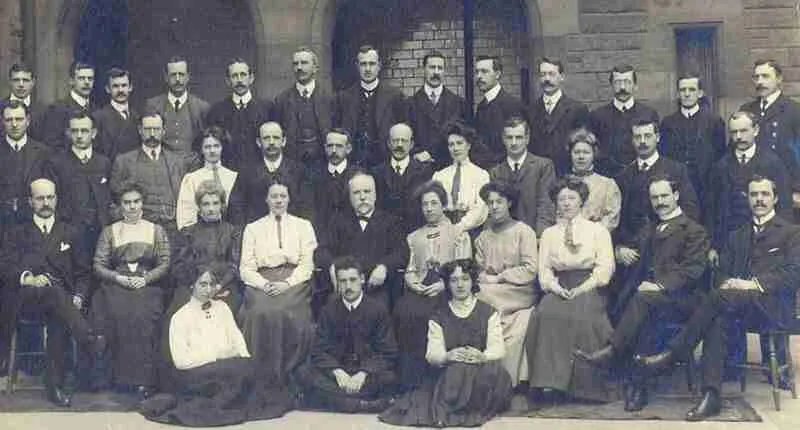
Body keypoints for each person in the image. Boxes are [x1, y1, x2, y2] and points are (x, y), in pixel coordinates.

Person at [635, 175, 800, 421]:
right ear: (748, 199)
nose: (759, 200)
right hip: (735, 306)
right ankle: (711, 396)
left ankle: (673, 354)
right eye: (754, 194)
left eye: (765, 194)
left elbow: (792, 274)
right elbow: (723, 273)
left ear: (775, 198)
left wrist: (750, 284)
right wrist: (728, 284)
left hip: (772, 308)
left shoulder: (792, 233)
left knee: (716, 303)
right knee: (716, 318)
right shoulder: (737, 235)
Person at [576, 176, 709, 412]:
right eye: (655, 197)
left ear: (676, 196)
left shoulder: (693, 230)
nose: (660, 202)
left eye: (664, 196)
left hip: (683, 299)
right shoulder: (650, 228)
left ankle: (613, 352)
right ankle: (636, 386)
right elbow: (632, 248)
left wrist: (659, 286)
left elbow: (693, 271)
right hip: (648, 299)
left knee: (643, 301)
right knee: (638, 310)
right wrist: (619, 249)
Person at [142, 262, 291, 426]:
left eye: (211, 285)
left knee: (255, 370)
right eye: (203, 284)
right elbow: (181, 361)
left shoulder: (222, 307)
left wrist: (247, 361)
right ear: (192, 286)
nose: (208, 290)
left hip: (226, 364)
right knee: (233, 375)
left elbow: (236, 338)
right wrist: (217, 355)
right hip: (196, 372)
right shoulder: (181, 317)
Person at [0, 178, 104, 407]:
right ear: (30, 202)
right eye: (39, 198)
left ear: (56, 199)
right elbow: (5, 265)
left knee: (59, 311)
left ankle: (54, 385)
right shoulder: (18, 232)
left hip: (64, 304)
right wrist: (28, 278)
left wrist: (78, 296)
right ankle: (88, 339)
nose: (45, 203)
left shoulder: (71, 231)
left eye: (49, 197)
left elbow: (84, 272)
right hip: (26, 299)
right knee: (57, 296)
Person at [380, 259, 512, 427]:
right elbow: (432, 353)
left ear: (473, 282)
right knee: (456, 372)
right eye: (454, 280)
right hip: (452, 374)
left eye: (465, 279)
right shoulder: (439, 315)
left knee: (493, 377)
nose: (460, 285)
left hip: (481, 370)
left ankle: (463, 407)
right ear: (447, 284)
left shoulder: (488, 312)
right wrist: (447, 356)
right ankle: (455, 409)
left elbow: (498, 348)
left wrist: (482, 356)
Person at [525, 177, 615, 404]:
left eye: (571, 198)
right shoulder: (549, 234)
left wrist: (582, 288)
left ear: (581, 200)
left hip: (590, 285)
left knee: (581, 317)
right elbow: (544, 270)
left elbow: (605, 268)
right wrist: (555, 287)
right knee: (545, 314)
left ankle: (584, 387)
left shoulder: (598, 231)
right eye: (561, 199)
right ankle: (550, 384)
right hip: (559, 286)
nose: (566, 203)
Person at [91, 182, 171, 399]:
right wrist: (118, 278)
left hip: (147, 284)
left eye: (136, 202)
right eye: (127, 203)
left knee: (144, 314)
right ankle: (118, 378)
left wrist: (146, 279)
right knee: (117, 313)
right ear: (120, 206)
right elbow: (98, 265)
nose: (132, 207)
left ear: (142, 203)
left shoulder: (156, 230)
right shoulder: (110, 231)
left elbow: (164, 263)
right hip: (117, 283)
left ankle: (144, 380)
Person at [391, 180, 471, 390]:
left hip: (449, 289)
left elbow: (465, 269)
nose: (429, 208)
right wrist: (413, 283)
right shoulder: (414, 237)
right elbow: (409, 269)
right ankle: (411, 381)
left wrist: (444, 285)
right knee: (403, 311)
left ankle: (436, 380)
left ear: (443, 205)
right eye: (425, 204)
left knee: (430, 315)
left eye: (434, 203)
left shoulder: (458, 234)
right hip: (421, 288)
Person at [238, 180, 317, 391]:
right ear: (266, 199)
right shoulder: (253, 228)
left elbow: (307, 264)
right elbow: (245, 268)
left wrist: (287, 283)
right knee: (259, 312)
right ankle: (262, 378)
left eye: (283, 196)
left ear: (289, 198)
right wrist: (264, 284)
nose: (279, 200)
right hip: (261, 281)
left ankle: (289, 378)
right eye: (274, 196)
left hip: (294, 281)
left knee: (287, 311)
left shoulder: (304, 226)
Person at [296, 255, 399, 413]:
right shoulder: (328, 310)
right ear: (337, 283)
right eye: (343, 281)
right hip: (339, 375)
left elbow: (388, 352)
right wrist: (337, 372)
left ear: (362, 279)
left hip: (366, 375)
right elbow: (319, 350)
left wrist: (363, 373)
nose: (348, 286)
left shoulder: (378, 310)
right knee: (304, 374)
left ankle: (339, 402)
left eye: (352, 280)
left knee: (389, 378)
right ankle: (362, 405)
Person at [474, 181, 538, 386]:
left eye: (499, 202)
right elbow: (480, 270)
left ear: (509, 203)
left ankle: (509, 381)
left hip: (519, 289)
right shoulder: (483, 237)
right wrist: (488, 278)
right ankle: (486, 380)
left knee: (486, 296)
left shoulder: (523, 231)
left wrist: (501, 277)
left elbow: (530, 268)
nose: (494, 207)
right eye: (490, 202)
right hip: (491, 288)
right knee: (478, 296)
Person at [314, 171, 407, 308]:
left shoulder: (390, 222)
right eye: (356, 193)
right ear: (350, 197)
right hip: (345, 287)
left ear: (375, 195)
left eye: (367, 191)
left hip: (376, 288)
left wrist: (385, 266)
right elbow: (321, 251)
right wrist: (332, 266)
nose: (362, 197)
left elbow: (402, 252)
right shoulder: (338, 221)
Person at [615, 118, 699, 248]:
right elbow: (618, 218)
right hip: (631, 251)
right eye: (637, 137)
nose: (642, 141)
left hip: (668, 245)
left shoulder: (676, 170)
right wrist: (620, 246)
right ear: (632, 140)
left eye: (647, 136)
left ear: (658, 137)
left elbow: (690, 209)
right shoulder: (623, 176)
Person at [110, 112, 195, 237]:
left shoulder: (178, 161)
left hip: (173, 229)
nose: (152, 134)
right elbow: (114, 199)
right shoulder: (123, 161)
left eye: (156, 129)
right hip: (138, 230)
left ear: (164, 131)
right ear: (140, 130)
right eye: (148, 129)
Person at [45, 111, 113, 262]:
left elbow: (109, 199)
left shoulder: (104, 163)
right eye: (75, 131)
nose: (80, 136)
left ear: (94, 133)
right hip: (70, 233)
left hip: (99, 232)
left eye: (84, 131)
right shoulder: (57, 163)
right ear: (68, 133)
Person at [170, 180, 243, 315]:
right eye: (206, 204)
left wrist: (219, 286)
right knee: (180, 310)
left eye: (215, 203)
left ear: (222, 205)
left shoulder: (233, 232)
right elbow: (179, 266)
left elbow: (234, 265)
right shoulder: (187, 233)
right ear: (199, 206)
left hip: (224, 285)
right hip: (192, 286)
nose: (211, 209)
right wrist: (197, 285)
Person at [659, 72, 726, 205]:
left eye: (692, 89)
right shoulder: (668, 123)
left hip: (707, 187)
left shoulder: (714, 121)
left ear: (700, 93)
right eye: (683, 90)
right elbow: (664, 156)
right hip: (678, 187)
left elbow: (720, 155)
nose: (687, 94)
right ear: (678, 94)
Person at [335, 44, 406, 168]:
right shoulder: (344, 97)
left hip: (385, 164)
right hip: (353, 164)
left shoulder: (395, 96)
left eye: (372, 64)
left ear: (379, 66)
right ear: (357, 67)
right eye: (363, 64)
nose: (367, 69)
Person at [228, 121, 310, 225]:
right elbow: (236, 208)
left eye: (276, 138)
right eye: (266, 138)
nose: (271, 142)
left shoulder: (299, 171)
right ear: (258, 142)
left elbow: (307, 208)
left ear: (284, 141)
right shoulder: (247, 172)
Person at [739, 59, 800, 193]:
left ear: (779, 79)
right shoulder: (746, 110)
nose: (760, 81)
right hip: (752, 187)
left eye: (765, 76)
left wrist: (797, 189)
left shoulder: (794, 111)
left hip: (784, 187)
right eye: (756, 77)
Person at [589, 64, 660, 177]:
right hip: (607, 176)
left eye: (627, 82)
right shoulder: (597, 116)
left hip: (641, 175)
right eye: (618, 82)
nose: (622, 87)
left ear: (635, 86)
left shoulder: (648, 114)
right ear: (611, 85)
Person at [489, 116, 556, 237]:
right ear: (503, 139)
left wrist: (539, 236)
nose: (514, 142)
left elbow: (546, 205)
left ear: (527, 139)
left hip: (536, 236)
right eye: (509, 138)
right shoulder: (496, 172)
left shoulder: (543, 166)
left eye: (518, 137)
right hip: (506, 237)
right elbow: (495, 209)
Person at [272, 47, 334, 167]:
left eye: (304, 63)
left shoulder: (329, 99)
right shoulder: (282, 100)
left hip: (322, 165)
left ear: (315, 68)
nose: (299, 68)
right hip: (292, 165)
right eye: (295, 64)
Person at [207, 58, 273, 170]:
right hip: (228, 172)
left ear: (251, 78)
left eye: (243, 75)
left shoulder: (267, 108)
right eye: (234, 76)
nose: (239, 80)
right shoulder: (217, 111)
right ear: (228, 81)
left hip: (260, 172)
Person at [406, 50, 467, 170]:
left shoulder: (457, 103)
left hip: (449, 166)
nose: (436, 72)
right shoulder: (410, 104)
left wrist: (433, 153)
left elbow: (461, 136)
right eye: (432, 67)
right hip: (421, 168)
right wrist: (418, 154)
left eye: (440, 68)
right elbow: (407, 135)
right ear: (424, 69)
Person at [528, 57, 589, 174]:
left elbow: (581, 144)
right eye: (543, 74)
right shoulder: (530, 110)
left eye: (551, 74)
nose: (547, 79)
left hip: (567, 172)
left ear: (561, 77)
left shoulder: (577, 109)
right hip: (539, 174)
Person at [371, 122, 434, 233]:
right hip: (386, 235)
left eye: (404, 141)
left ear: (411, 144)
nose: (399, 145)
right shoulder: (377, 172)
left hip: (415, 233)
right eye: (395, 141)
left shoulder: (425, 172)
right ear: (389, 144)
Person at [0, 101, 51, 233]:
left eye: (19, 119)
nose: (14, 124)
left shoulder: (43, 152)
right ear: (2, 122)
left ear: (28, 121)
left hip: (32, 225)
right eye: (9, 120)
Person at [145, 56, 210, 157]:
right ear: (166, 78)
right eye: (173, 75)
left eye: (181, 74)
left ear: (188, 77)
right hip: (163, 165)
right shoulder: (153, 105)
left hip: (193, 166)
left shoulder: (201, 107)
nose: (178, 79)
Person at [431, 122, 490, 233]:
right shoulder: (439, 176)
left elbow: (480, 209)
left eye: (459, 143)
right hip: (444, 231)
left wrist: (459, 227)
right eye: (451, 144)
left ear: (468, 145)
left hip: (472, 232)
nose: (455, 148)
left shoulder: (481, 175)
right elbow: (435, 206)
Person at [176, 126, 238, 230]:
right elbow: (185, 215)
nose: (212, 151)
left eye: (216, 146)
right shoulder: (191, 179)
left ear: (222, 147)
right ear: (201, 150)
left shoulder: (233, 176)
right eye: (207, 147)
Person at [473, 55, 525, 168]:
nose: (479, 76)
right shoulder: (481, 106)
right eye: (477, 72)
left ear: (497, 74)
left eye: (484, 72)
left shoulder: (512, 105)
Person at [565, 128, 622, 231]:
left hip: (596, 240)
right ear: (570, 154)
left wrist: (591, 232)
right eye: (576, 152)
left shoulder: (607, 185)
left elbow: (612, 218)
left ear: (594, 154)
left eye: (586, 152)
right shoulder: (563, 184)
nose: (581, 157)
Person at [40, 61, 96, 150]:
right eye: (81, 78)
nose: (87, 82)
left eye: (90, 78)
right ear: (71, 81)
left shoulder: (96, 110)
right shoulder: (57, 109)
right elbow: (51, 146)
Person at [309, 129, 359, 228]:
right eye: (330, 146)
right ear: (324, 148)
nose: (334, 151)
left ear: (348, 148)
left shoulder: (358, 175)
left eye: (339, 146)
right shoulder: (314, 175)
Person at [93, 68, 141, 162]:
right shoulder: (98, 118)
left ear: (130, 87)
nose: (120, 90)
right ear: (108, 89)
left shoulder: (137, 117)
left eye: (124, 85)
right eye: (115, 86)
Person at [0, 63, 44, 140]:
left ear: (33, 82)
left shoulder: (44, 110)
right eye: (16, 80)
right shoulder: (1, 107)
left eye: (25, 80)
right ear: (10, 82)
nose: (21, 85)